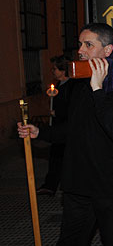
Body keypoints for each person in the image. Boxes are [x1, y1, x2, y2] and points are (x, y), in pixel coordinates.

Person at [18, 23, 113, 246]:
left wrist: (98, 89)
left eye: (88, 45)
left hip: (110, 186)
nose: (80, 51)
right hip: (78, 184)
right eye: (80, 44)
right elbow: (74, 128)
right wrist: (41, 132)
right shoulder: (78, 82)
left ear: (107, 50)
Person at [37, 55, 72, 196]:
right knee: (56, 158)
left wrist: (57, 113)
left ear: (63, 71)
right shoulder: (59, 85)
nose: (53, 72)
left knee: (62, 158)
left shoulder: (71, 86)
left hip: (65, 128)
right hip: (58, 128)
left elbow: (71, 108)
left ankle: (56, 185)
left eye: (55, 69)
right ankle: (50, 185)